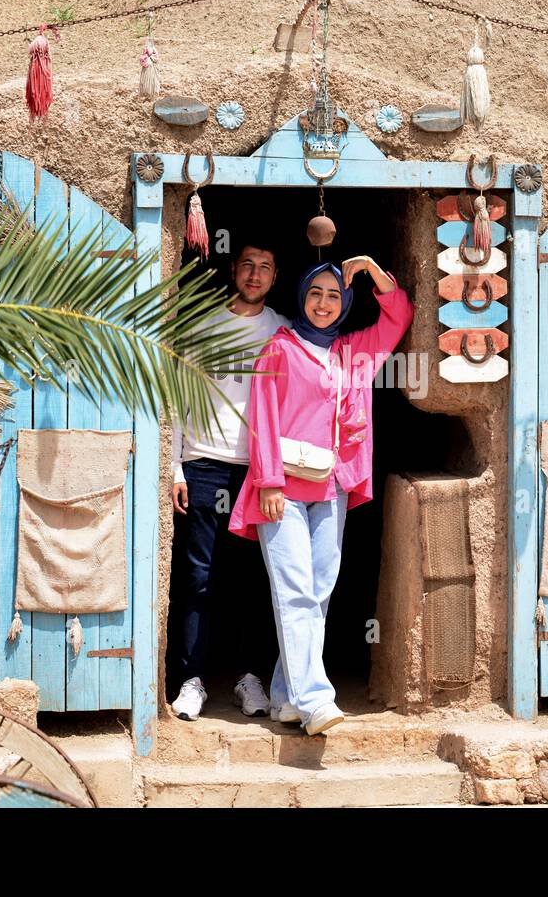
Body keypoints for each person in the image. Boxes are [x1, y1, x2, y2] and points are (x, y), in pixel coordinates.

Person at [229, 256, 412, 736]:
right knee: (294, 592)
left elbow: (399, 316)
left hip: (331, 489)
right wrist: (267, 481)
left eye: (334, 295)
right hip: (282, 491)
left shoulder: (355, 352)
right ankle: (315, 698)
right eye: (315, 293)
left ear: (346, 302)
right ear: (301, 298)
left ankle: (287, 696)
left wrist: (374, 268)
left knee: (319, 593)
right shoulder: (279, 349)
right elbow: (263, 418)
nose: (324, 303)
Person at [169, 242, 290, 721]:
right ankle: (191, 680)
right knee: (198, 578)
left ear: (276, 275)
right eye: (247, 265)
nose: (255, 275)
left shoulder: (283, 330)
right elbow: (174, 393)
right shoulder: (201, 324)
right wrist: (174, 465)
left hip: (259, 471)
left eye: (265, 267)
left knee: (254, 580)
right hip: (202, 465)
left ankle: (248, 679)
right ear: (233, 270)